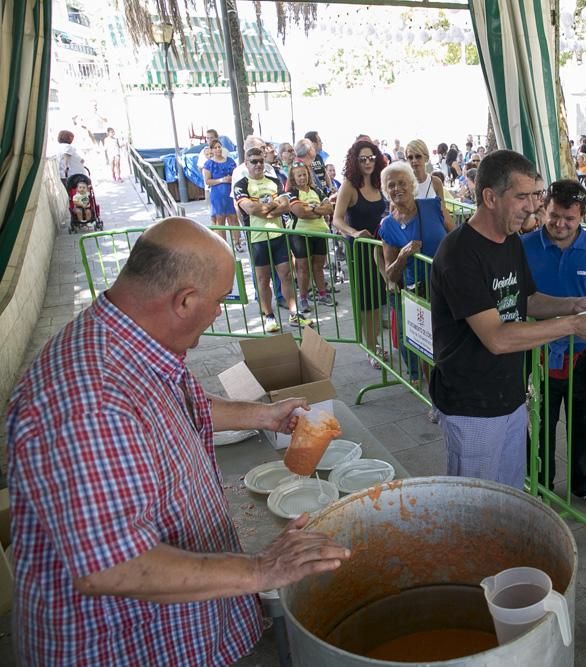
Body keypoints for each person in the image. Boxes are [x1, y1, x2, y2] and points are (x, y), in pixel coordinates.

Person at [5, 217, 349, 665]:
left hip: (179, 630)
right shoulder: (88, 402)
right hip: (123, 646)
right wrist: (263, 569)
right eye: (221, 300)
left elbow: (176, 402)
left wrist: (264, 415)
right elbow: (111, 565)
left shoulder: (128, 340)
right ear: (185, 300)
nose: (220, 313)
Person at [429, 150, 586, 488]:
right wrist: (573, 325)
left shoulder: (510, 242)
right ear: (489, 197)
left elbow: (527, 299)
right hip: (471, 405)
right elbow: (497, 338)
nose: (533, 207)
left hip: (509, 398)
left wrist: (574, 305)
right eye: (523, 197)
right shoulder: (459, 253)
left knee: (507, 498)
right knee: (474, 511)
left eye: (536, 195)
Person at [520, 179, 586, 509]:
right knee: (539, 424)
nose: (560, 224)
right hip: (537, 354)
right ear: (543, 210)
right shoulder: (524, 247)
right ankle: (539, 483)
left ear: (582, 217)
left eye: (569, 218)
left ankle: (584, 485)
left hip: (585, 354)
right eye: (553, 216)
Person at [379, 162, 454, 387]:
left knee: (452, 343)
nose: (397, 188)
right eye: (391, 185)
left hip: (449, 286)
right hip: (419, 293)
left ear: (412, 185)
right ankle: (436, 399)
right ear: (385, 190)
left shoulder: (433, 206)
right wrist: (403, 256)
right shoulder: (388, 226)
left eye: (402, 183)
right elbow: (391, 275)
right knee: (427, 347)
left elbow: (455, 234)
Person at [233, 147, 311, 332]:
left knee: (286, 275)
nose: (259, 164)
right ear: (246, 163)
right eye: (254, 161)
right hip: (257, 239)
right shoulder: (241, 185)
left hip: (279, 235)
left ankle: (293, 313)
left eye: (261, 161)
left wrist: (265, 209)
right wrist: (271, 206)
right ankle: (269, 316)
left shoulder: (275, 181)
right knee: (263, 279)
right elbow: (250, 209)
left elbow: (285, 206)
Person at [333, 139, 389, 368]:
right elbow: (337, 219)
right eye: (363, 159)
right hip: (361, 250)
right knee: (367, 302)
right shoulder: (349, 185)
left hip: (381, 247)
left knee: (379, 299)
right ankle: (371, 346)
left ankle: (375, 341)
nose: (368, 162)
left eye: (371, 158)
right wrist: (354, 233)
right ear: (355, 161)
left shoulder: (380, 181)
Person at [287, 162, 337, 311]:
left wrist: (312, 208)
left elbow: (329, 208)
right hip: (300, 234)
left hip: (319, 232)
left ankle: (322, 294)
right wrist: (318, 210)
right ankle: (303, 298)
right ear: (293, 178)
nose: (302, 178)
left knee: (318, 266)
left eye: (304, 174)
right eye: (299, 175)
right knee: (303, 268)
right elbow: (300, 212)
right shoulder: (292, 193)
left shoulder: (317, 190)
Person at [201, 139, 241, 250]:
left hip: (230, 193)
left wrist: (231, 179)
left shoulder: (230, 161)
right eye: (215, 147)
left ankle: (237, 242)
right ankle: (223, 245)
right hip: (217, 195)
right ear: (211, 150)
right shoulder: (209, 164)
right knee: (220, 220)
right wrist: (222, 180)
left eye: (219, 147)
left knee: (233, 218)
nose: (218, 149)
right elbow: (208, 181)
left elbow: (237, 175)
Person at [404, 139, 453, 228]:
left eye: (418, 156)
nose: (414, 160)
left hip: (434, 231)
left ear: (426, 158)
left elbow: (443, 212)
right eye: (410, 157)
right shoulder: (404, 184)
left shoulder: (436, 182)